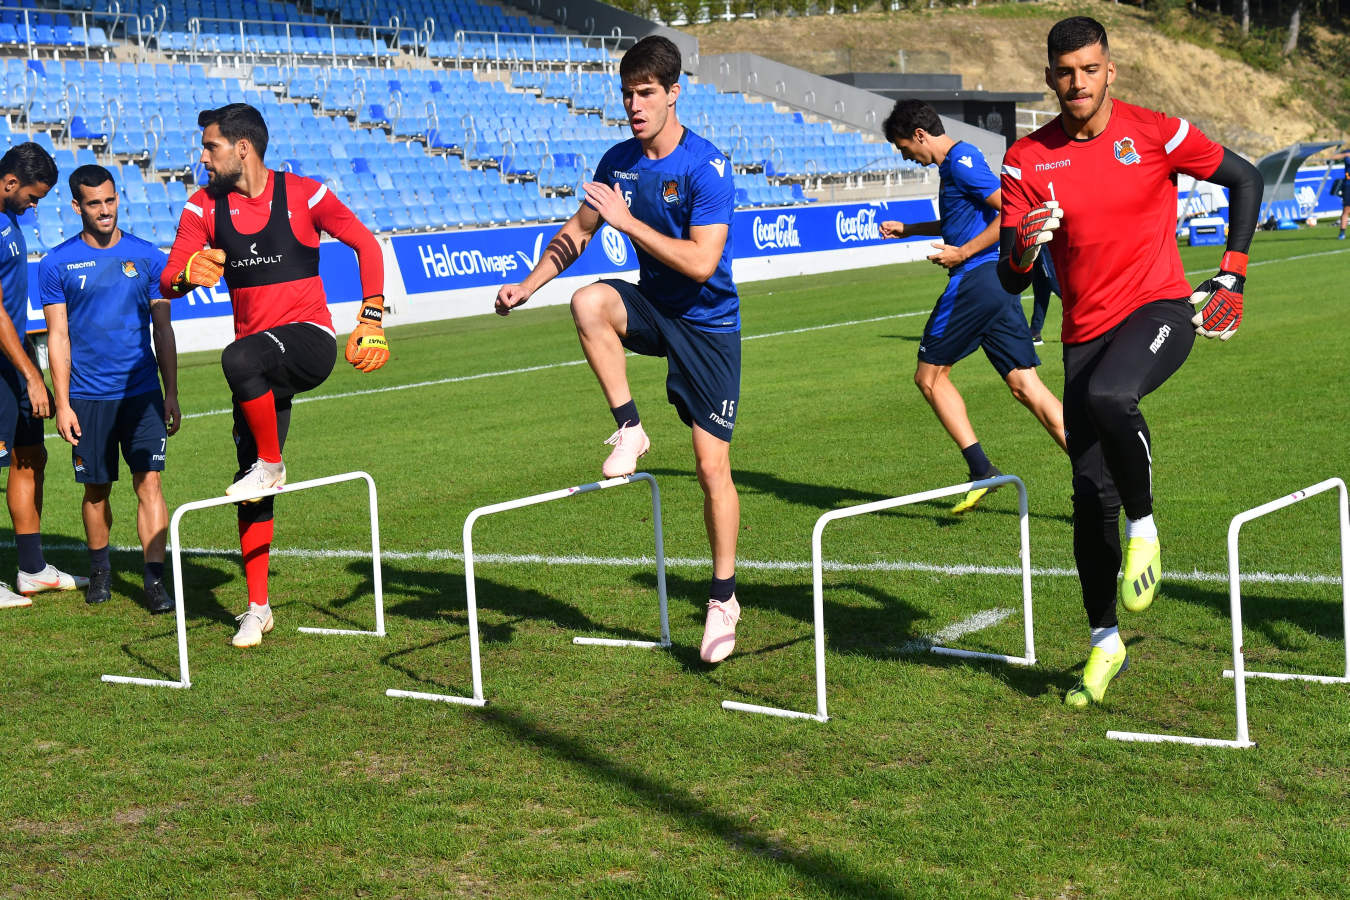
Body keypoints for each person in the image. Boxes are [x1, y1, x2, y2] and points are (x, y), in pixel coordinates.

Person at [997, 16, 1262, 707]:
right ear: (1049, 76)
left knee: (1114, 398)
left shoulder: (1156, 133)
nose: (1076, 83)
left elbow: (1246, 178)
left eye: (1089, 69)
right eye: (1064, 72)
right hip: (1081, 334)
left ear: (1111, 70)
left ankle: (1147, 531)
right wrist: (1024, 245)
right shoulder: (1026, 159)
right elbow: (1011, 279)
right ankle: (1103, 640)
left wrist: (1232, 272)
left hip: (1160, 312)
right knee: (1089, 496)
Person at [495, 35, 743, 664]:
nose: (634, 105)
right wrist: (527, 285)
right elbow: (577, 233)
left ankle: (722, 599)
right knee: (587, 302)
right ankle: (629, 429)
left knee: (712, 470)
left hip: (709, 326)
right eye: (627, 94)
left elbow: (701, 261)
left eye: (646, 93)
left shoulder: (705, 167)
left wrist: (628, 222)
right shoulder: (617, 162)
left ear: (673, 94)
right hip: (656, 310)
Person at [160, 103, 389, 649]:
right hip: (258, 371)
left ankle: (271, 463)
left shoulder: (306, 195)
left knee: (239, 357)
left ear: (243, 147)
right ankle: (258, 609)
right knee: (249, 491)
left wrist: (372, 315)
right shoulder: (201, 208)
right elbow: (169, 278)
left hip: (308, 342)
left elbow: (365, 243)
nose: (203, 157)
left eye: (210, 146)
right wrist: (186, 275)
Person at [879, 99, 1067, 516]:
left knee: (929, 378)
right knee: (1027, 387)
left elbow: (1013, 214)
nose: (909, 158)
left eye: (905, 148)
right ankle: (1098, 475)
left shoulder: (961, 160)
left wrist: (963, 253)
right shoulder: (955, 165)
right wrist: (908, 229)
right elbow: (963, 220)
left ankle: (980, 469)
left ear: (921, 135)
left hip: (977, 280)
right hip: (996, 285)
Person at [39, 164, 178, 613]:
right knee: (96, 489)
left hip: (142, 394)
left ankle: (154, 582)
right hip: (87, 398)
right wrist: (62, 403)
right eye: (94, 203)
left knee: (149, 483)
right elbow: (57, 338)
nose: (104, 210)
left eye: (110, 200)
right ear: (77, 206)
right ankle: (100, 571)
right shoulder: (56, 263)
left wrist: (170, 391)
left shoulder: (149, 258)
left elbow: (164, 330)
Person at [0, 142, 88, 609]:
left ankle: (32, 570)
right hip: (4, 366)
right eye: (33, 197)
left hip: (12, 362)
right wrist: (33, 375)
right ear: (11, 183)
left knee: (31, 456)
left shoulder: (8, 219)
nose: (35, 206)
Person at [1027, 251, 1060, 345]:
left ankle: (1086, 317)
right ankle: (1035, 332)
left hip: (1044, 243)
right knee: (1041, 290)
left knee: (1055, 283)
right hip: (1035, 246)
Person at [1329, 144, 1350, 239]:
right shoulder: (1347, 152)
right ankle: (1342, 233)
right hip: (1348, 185)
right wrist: (1345, 155)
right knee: (1346, 209)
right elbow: (1333, 157)